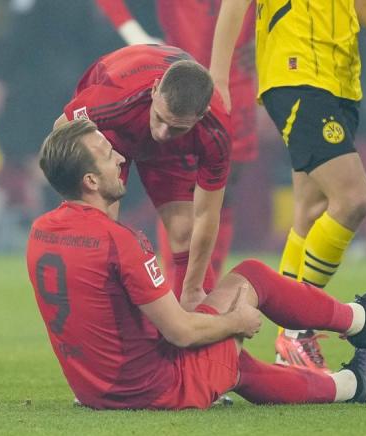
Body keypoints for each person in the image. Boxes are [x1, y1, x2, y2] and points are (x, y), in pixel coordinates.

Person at [26, 119, 366, 409]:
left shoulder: (40, 232)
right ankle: (359, 337)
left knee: (226, 356)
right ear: (91, 180)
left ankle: (355, 375)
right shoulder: (120, 242)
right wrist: (234, 323)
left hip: (92, 388)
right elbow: (181, 333)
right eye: (110, 157)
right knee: (251, 282)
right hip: (151, 389)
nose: (122, 159)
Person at [210, 0, 366, 372]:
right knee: (353, 198)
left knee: (312, 211)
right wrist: (218, 75)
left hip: (340, 79)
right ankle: (299, 330)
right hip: (296, 72)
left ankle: (289, 343)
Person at [53, 44, 231, 310]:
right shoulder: (116, 97)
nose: (161, 132)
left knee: (185, 231)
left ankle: (193, 333)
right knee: (102, 229)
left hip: (169, 151)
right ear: (155, 89)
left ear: (201, 115)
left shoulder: (216, 132)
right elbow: (61, 129)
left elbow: (207, 215)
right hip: (112, 133)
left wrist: (193, 290)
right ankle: (99, 312)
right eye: (160, 117)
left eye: (175, 127)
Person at [94, 0, 258, 279]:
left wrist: (269, 41)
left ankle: (204, 288)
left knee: (224, 188)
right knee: (181, 192)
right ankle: (177, 289)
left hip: (236, 81)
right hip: (178, 83)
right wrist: (135, 34)